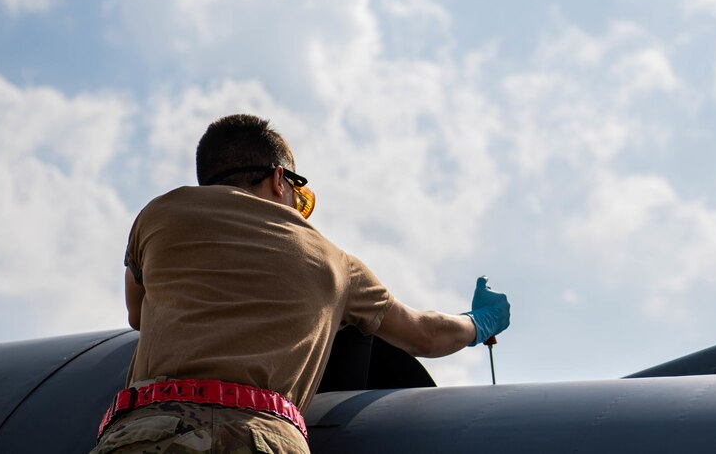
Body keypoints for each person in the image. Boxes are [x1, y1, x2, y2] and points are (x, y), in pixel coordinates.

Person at [92, 114, 510, 454]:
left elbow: (136, 314)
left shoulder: (158, 217)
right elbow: (426, 335)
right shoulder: (335, 261)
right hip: (264, 436)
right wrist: (479, 322)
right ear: (279, 179)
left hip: (149, 427)